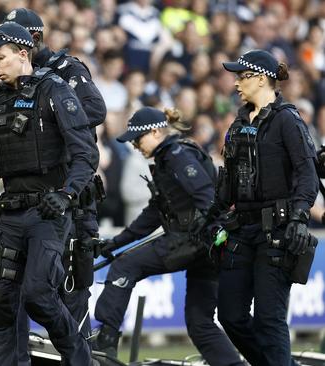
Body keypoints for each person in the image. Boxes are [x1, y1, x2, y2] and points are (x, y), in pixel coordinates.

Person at [0, 22, 98, 366]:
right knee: (4, 304)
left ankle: (80, 360)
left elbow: (86, 155)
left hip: (49, 212)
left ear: (23, 54)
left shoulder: (54, 91)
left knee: (39, 294)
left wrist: (68, 194)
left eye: (0, 57)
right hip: (9, 214)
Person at [93, 107, 243, 366]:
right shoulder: (169, 157)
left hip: (194, 241)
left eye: (137, 139)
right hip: (209, 249)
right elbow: (154, 214)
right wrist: (115, 243)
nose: (135, 145)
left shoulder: (176, 155)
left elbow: (207, 197)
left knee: (124, 266)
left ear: (156, 131)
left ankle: (105, 343)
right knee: (199, 323)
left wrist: (204, 236)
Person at [2, 8, 107, 353]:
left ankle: (80, 358)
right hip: (32, 197)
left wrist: (47, 118)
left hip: (70, 195)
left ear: (31, 40)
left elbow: (96, 110)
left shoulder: (67, 70)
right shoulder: (13, 75)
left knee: (72, 289)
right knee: (13, 292)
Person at [214, 49, 318, 365]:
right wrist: (214, 217)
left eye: (241, 76)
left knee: (269, 320)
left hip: (277, 231)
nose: (235, 83)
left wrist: (300, 216)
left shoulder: (287, 119)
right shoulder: (239, 122)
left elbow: (307, 173)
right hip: (241, 230)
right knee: (230, 315)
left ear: (261, 78)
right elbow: (228, 181)